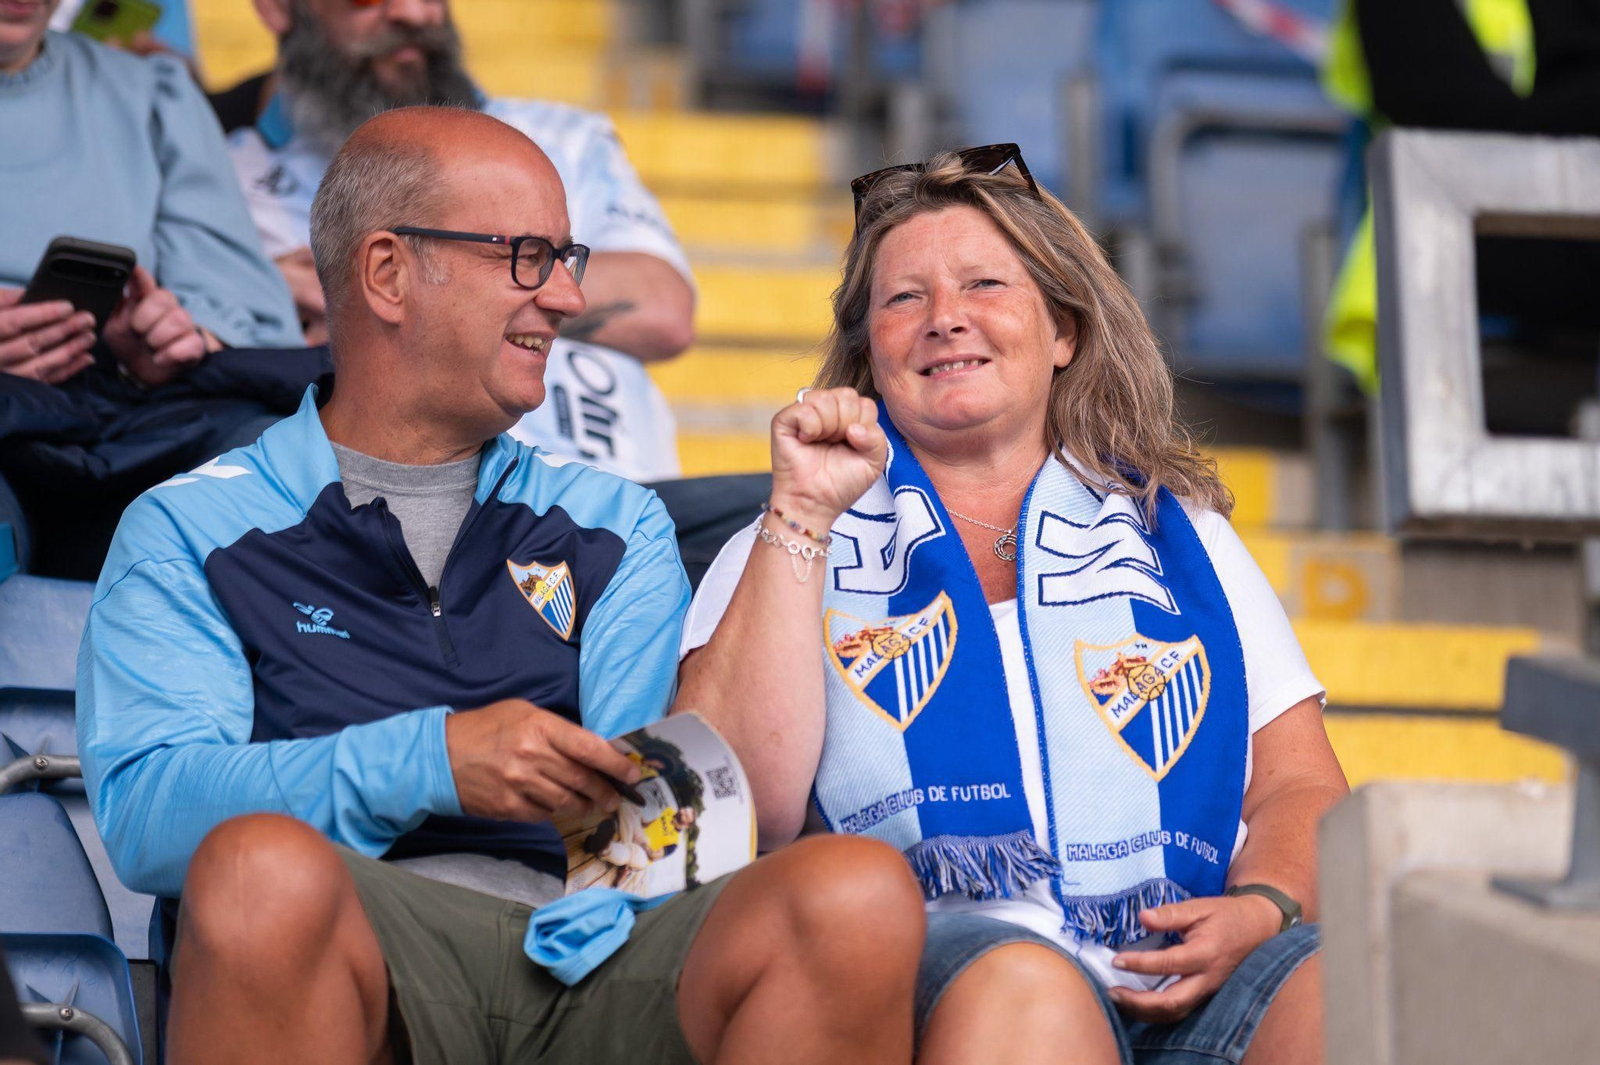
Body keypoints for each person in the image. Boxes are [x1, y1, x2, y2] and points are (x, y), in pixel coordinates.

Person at [78, 107, 924, 1065]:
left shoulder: (615, 520)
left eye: (567, 256)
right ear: (388, 273)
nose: (566, 297)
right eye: (525, 255)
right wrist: (432, 759)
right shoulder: (189, 526)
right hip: (358, 951)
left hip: (600, 950)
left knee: (853, 890)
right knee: (250, 871)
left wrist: (796, 525)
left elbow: (657, 833)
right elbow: (150, 818)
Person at [676, 146, 1349, 1065]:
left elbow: (1301, 786)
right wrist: (798, 518)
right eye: (903, 299)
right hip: (935, 962)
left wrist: (1259, 906)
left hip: (1188, 960)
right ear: (870, 351)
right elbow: (730, 806)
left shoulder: (1180, 534)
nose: (945, 319)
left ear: (1064, 330)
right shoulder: (793, 536)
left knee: (1344, 989)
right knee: (1029, 984)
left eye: (984, 283)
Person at [217, 0, 695, 480]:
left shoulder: (565, 137)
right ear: (277, 7)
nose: (415, 12)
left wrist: (356, 295)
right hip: (405, 510)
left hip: (633, 496)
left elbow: (665, 311)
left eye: (549, 255)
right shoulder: (224, 176)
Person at [0, 0, 306, 577]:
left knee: (273, 474)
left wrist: (165, 343)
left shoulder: (146, 94)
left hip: (129, 421)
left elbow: (247, 306)